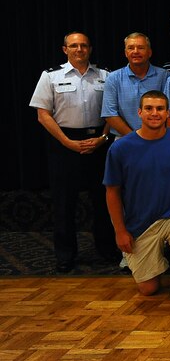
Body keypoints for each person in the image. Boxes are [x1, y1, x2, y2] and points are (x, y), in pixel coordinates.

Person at [103, 90, 170, 308]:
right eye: (149, 108)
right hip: (140, 224)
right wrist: (120, 231)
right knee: (149, 289)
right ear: (139, 112)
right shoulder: (120, 148)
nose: (154, 113)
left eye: (160, 109)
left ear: (168, 113)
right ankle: (159, 260)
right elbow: (112, 192)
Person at [30, 31, 118, 273]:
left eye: (84, 46)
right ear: (65, 49)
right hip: (64, 144)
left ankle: (107, 249)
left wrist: (102, 138)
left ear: (90, 49)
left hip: (99, 143)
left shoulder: (106, 76)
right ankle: (65, 255)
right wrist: (67, 142)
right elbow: (42, 114)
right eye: (74, 46)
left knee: (103, 201)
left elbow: (112, 110)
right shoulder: (51, 76)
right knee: (64, 203)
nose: (79, 50)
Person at [102, 32, 170, 137]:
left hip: (158, 138)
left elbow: (169, 111)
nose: (135, 51)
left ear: (149, 52)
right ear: (125, 53)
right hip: (124, 139)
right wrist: (135, 138)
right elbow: (110, 114)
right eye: (130, 48)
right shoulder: (113, 78)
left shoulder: (164, 76)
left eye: (141, 48)